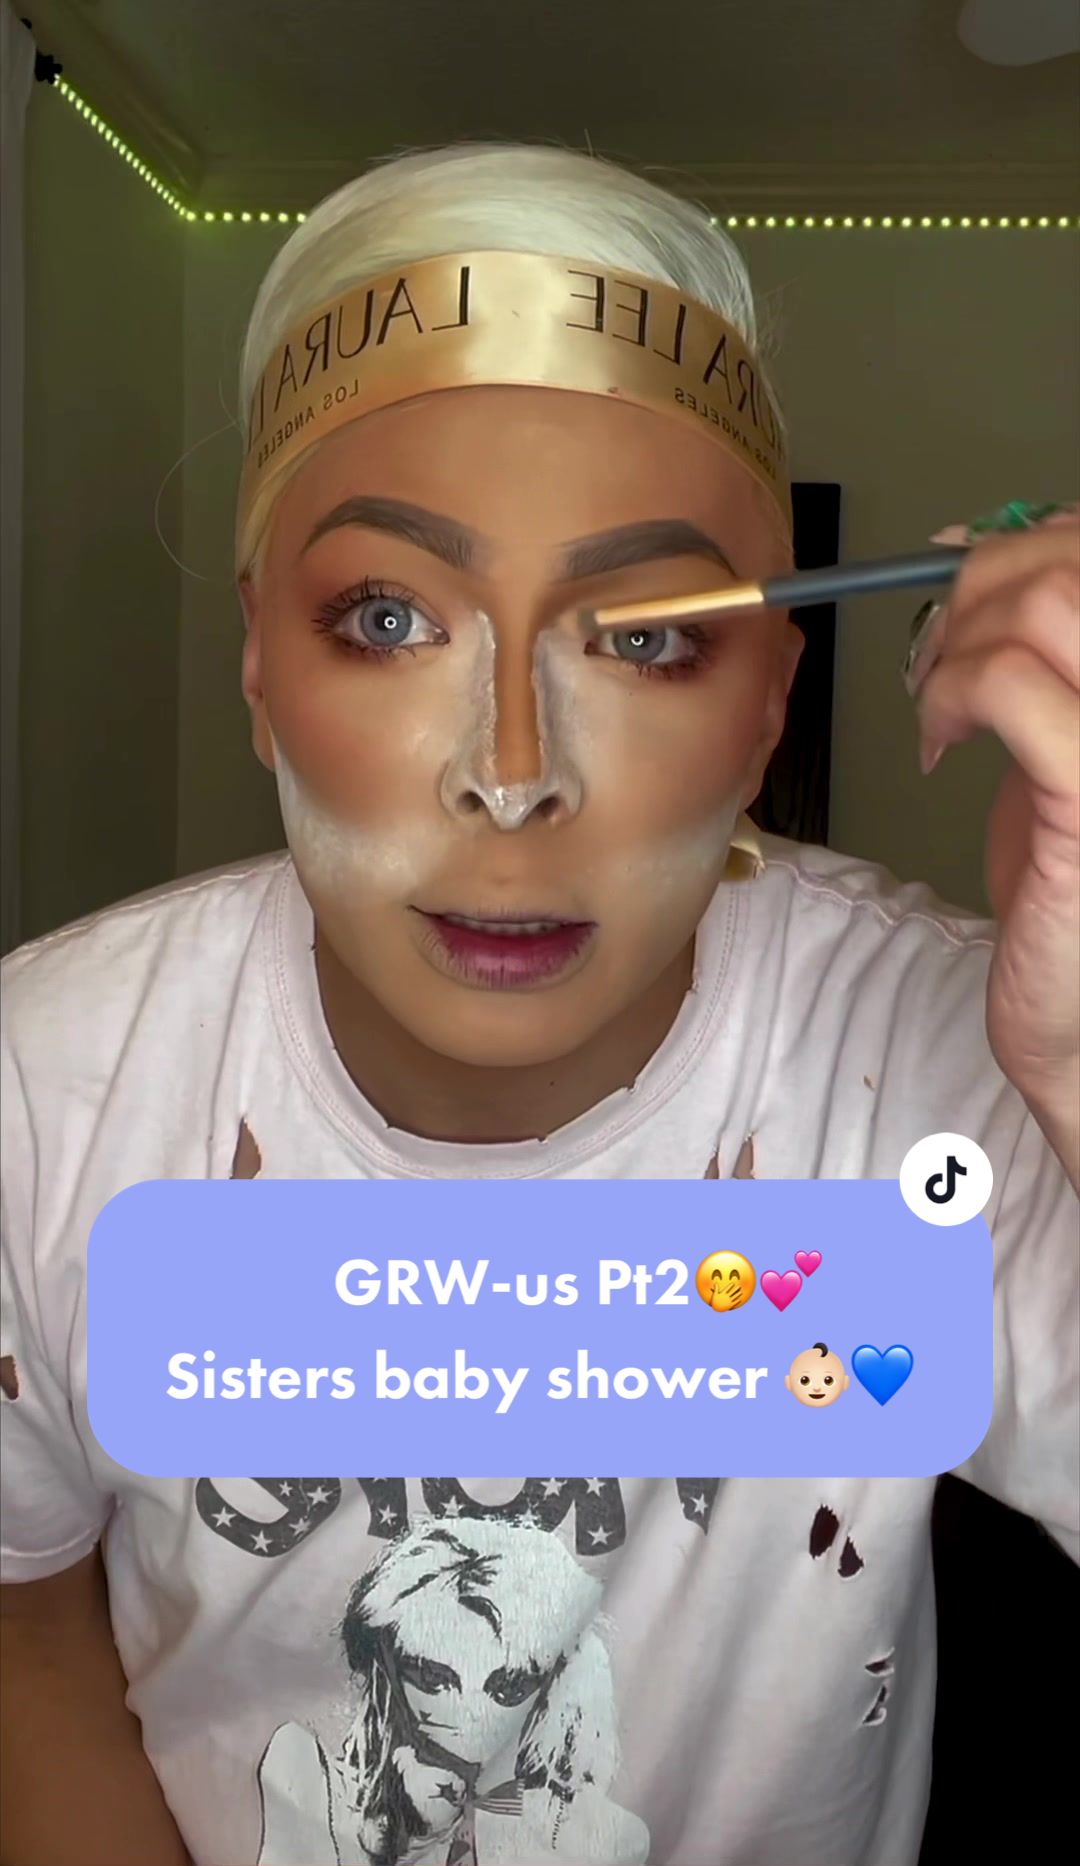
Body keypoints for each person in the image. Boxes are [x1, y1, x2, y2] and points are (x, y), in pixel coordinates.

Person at [0, 143, 1076, 1866]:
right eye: (387, 615)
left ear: (768, 705)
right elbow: (28, 1627)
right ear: (262, 667)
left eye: (644, 637)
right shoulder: (42, 1085)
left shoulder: (943, 1077)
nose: (512, 773)